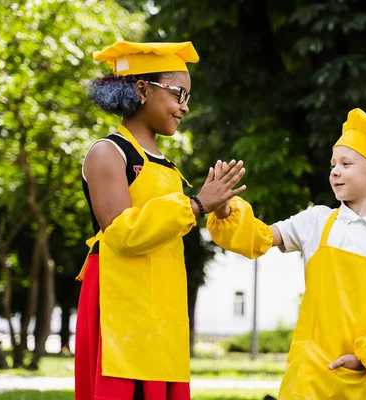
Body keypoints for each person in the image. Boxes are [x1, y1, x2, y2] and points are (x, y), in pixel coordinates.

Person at [207, 108, 366, 399]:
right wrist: (224, 209)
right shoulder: (317, 221)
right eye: (333, 164)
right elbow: (260, 237)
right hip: (307, 373)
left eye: (346, 163)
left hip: (360, 380)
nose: (335, 171)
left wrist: (364, 359)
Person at [74, 41, 246, 400]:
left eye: (188, 97)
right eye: (179, 94)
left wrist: (216, 205)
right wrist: (197, 204)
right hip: (122, 305)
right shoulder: (108, 152)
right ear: (142, 89)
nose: (184, 107)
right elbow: (122, 233)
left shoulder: (165, 164)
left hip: (162, 311)